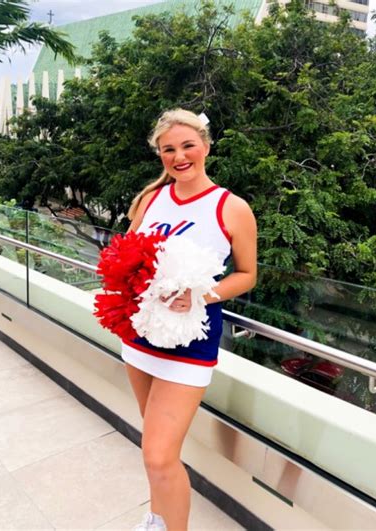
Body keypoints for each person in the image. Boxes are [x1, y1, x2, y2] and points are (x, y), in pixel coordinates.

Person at [122, 109, 257, 531]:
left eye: (187, 146)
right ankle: (157, 518)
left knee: (159, 455)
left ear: (206, 146)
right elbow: (129, 255)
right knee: (154, 450)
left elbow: (248, 274)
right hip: (141, 332)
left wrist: (200, 293)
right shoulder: (150, 199)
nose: (179, 157)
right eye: (169, 149)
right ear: (160, 154)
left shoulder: (231, 207)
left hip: (190, 339)